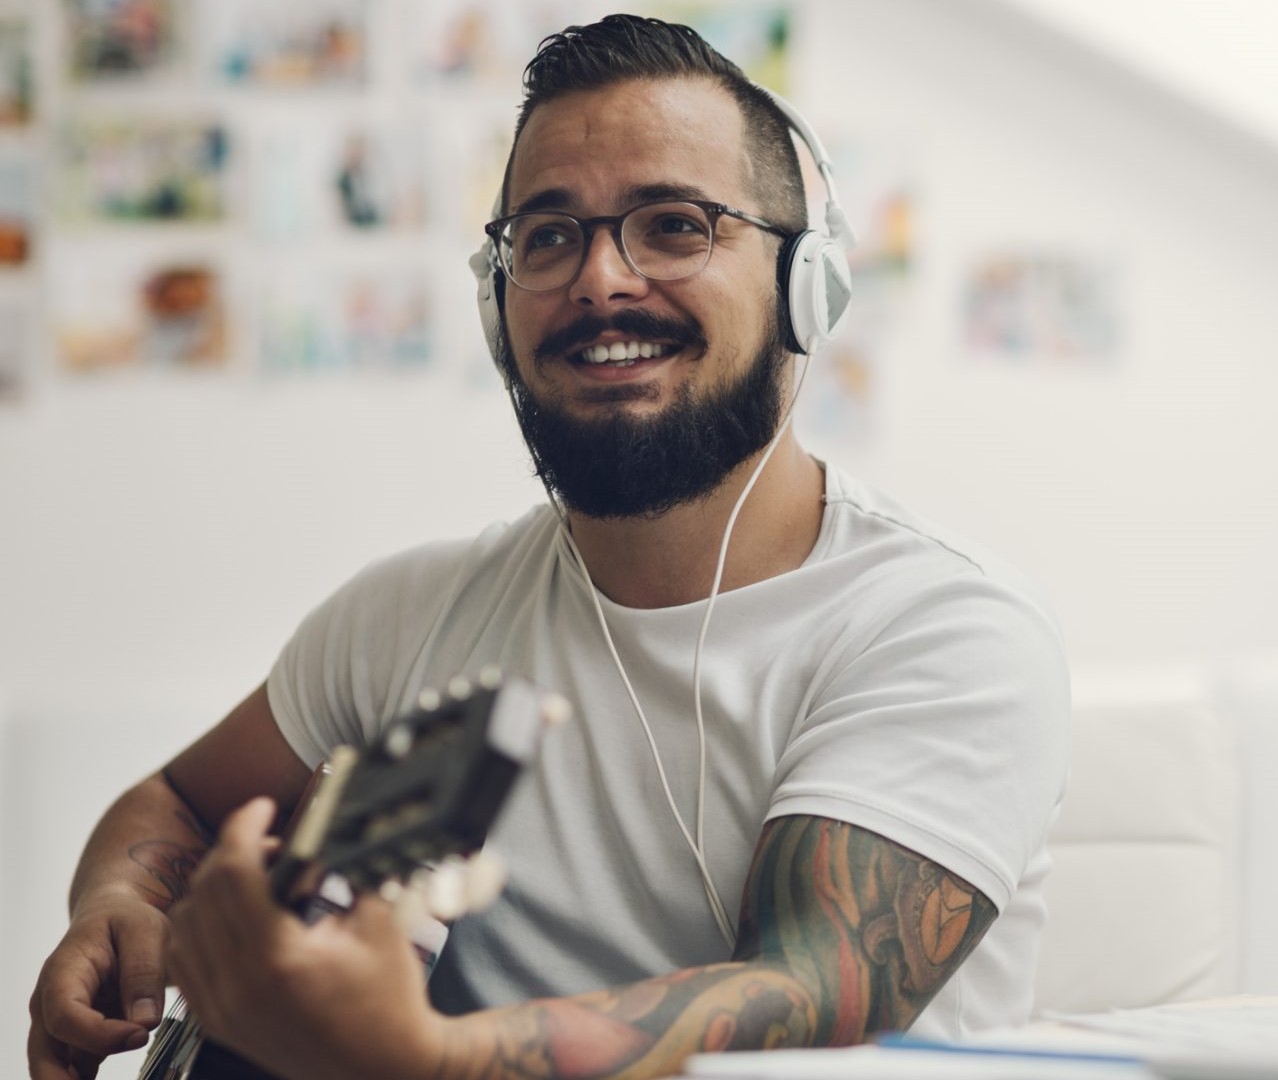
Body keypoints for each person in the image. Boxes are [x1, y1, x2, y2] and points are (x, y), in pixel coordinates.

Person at [26, 16, 1070, 1080]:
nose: (600, 280)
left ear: (808, 285)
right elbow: (179, 805)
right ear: (498, 303)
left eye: (673, 225)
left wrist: (420, 1055)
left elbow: (819, 987)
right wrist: (122, 905)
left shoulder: (944, 629)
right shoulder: (404, 618)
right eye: (549, 235)